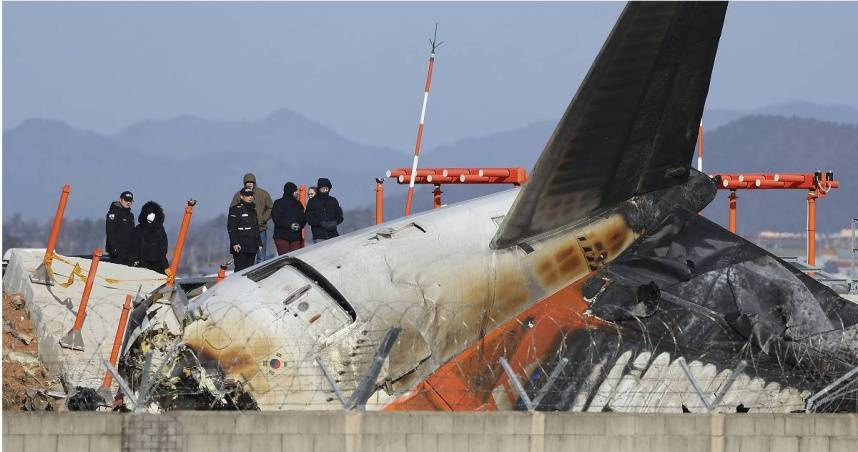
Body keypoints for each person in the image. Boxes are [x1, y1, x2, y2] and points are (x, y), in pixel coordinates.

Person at [229, 173, 273, 263]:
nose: (249, 183)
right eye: (247, 182)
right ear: (244, 183)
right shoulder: (238, 195)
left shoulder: (263, 193)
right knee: (247, 256)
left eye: (251, 182)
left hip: (261, 229)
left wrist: (263, 219)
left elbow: (271, 208)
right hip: (245, 232)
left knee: (261, 256)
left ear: (254, 182)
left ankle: (261, 275)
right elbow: (232, 210)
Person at [228, 187, 262, 272]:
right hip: (240, 246)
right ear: (242, 196)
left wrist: (259, 242)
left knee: (249, 271)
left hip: (252, 246)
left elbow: (256, 227)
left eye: (251, 195)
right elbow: (231, 227)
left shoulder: (253, 210)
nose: (250, 197)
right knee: (240, 271)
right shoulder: (235, 209)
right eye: (247, 195)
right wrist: (235, 243)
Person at [131, 201, 169, 274]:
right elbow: (134, 248)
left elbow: (163, 248)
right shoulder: (139, 229)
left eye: (153, 214)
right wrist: (135, 262)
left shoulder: (160, 229)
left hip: (158, 265)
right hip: (142, 265)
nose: (151, 216)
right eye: (149, 213)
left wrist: (165, 266)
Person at [271, 182, 307, 254]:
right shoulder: (278, 203)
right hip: (282, 236)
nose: (297, 193)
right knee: (285, 258)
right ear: (291, 192)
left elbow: (303, 217)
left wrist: (299, 225)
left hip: (295, 236)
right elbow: (276, 219)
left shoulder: (298, 204)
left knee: (296, 257)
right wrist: (290, 225)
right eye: (295, 191)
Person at [305, 178, 343, 243]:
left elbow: (340, 216)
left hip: (333, 234)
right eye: (323, 188)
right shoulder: (312, 201)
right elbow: (309, 217)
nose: (325, 190)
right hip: (319, 236)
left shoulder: (333, 200)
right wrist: (321, 223)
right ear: (319, 189)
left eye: (327, 188)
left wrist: (335, 222)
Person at [105, 191, 136, 266]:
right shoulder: (113, 213)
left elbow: (132, 233)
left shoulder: (130, 215)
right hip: (117, 253)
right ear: (120, 199)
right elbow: (110, 232)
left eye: (130, 201)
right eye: (126, 200)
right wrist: (114, 249)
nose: (128, 202)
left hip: (128, 252)